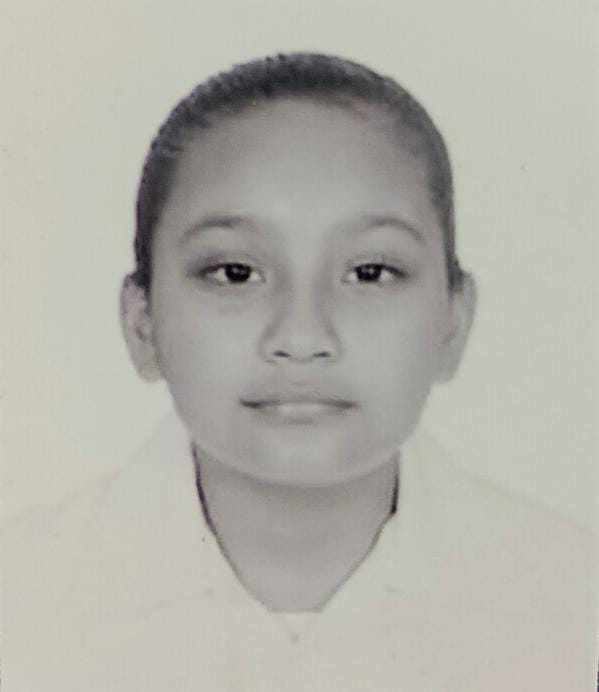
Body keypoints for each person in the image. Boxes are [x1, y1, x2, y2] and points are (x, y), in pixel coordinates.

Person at [1, 53, 595, 691]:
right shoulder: (22, 601)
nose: (303, 338)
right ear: (142, 323)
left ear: (453, 321)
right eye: (235, 273)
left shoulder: (576, 605)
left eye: (370, 273)